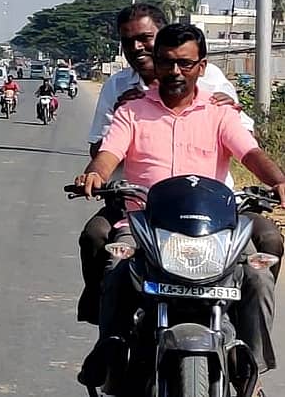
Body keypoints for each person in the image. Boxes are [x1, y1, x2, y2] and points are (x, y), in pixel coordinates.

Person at [76, 24, 285, 389]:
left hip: (213, 227)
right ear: (155, 64)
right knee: (115, 264)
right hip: (146, 222)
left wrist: (278, 180)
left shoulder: (221, 112)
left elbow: (249, 152)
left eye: (185, 64)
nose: (175, 72)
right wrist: (95, 174)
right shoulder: (132, 111)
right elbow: (110, 152)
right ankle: (111, 350)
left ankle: (249, 369)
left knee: (257, 275)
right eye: (168, 63)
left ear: (201, 67)